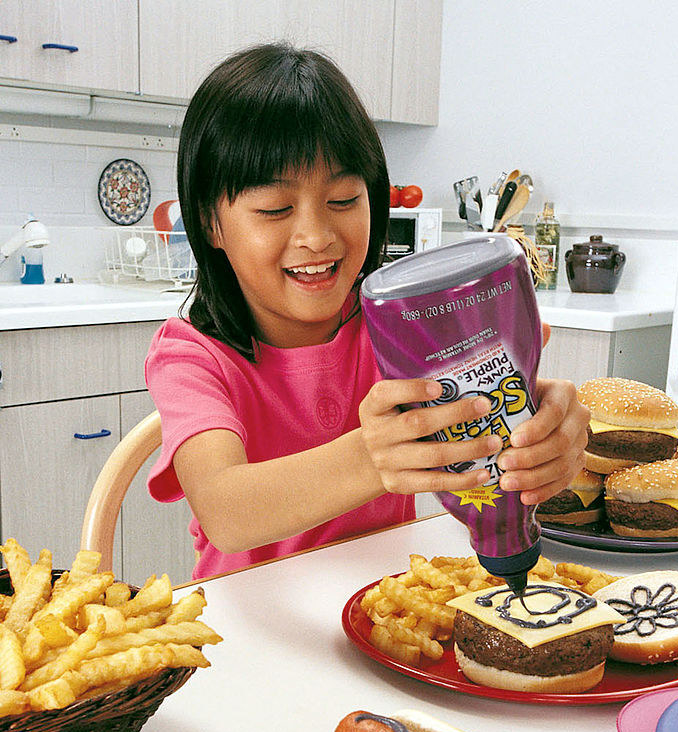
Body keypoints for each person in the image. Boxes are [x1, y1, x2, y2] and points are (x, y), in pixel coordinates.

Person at [146, 43, 589, 580]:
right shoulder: (191, 356)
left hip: (385, 611)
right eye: (274, 209)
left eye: (343, 201)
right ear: (211, 224)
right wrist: (371, 458)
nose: (316, 236)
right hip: (248, 624)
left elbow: (495, 412)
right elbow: (226, 511)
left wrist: (543, 430)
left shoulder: (406, 328)